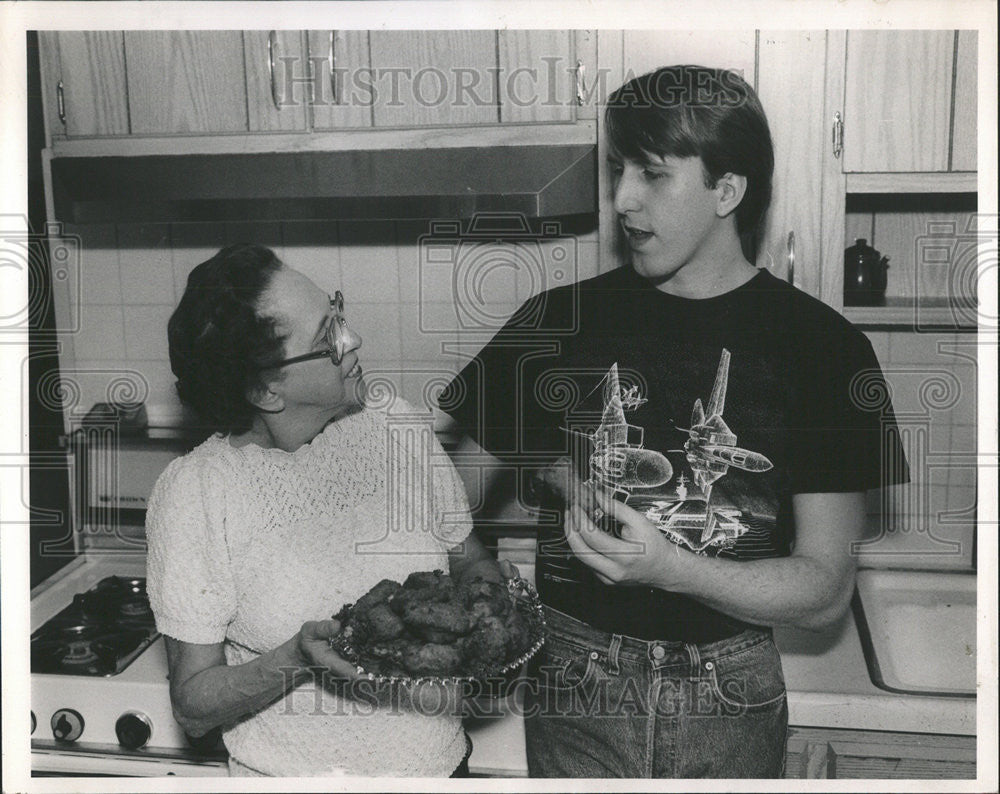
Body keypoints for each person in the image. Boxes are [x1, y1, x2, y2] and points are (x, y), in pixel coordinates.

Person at [438, 65, 909, 778]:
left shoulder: (825, 349)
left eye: (653, 175)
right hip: (573, 682)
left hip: (729, 693)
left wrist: (672, 571)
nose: (623, 199)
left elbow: (822, 591)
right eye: (618, 169)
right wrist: (482, 578)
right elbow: (445, 507)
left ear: (728, 189)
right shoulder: (555, 323)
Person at [146, 243, 504, 777]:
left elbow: (469, 559)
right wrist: (296, 658)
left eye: (338, 313)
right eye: (327, 338)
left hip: (439, 771)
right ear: (267, 389)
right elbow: (193, 703)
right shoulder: (197, 492)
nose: (352, 339)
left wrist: (493, 616)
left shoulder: (395, 427)